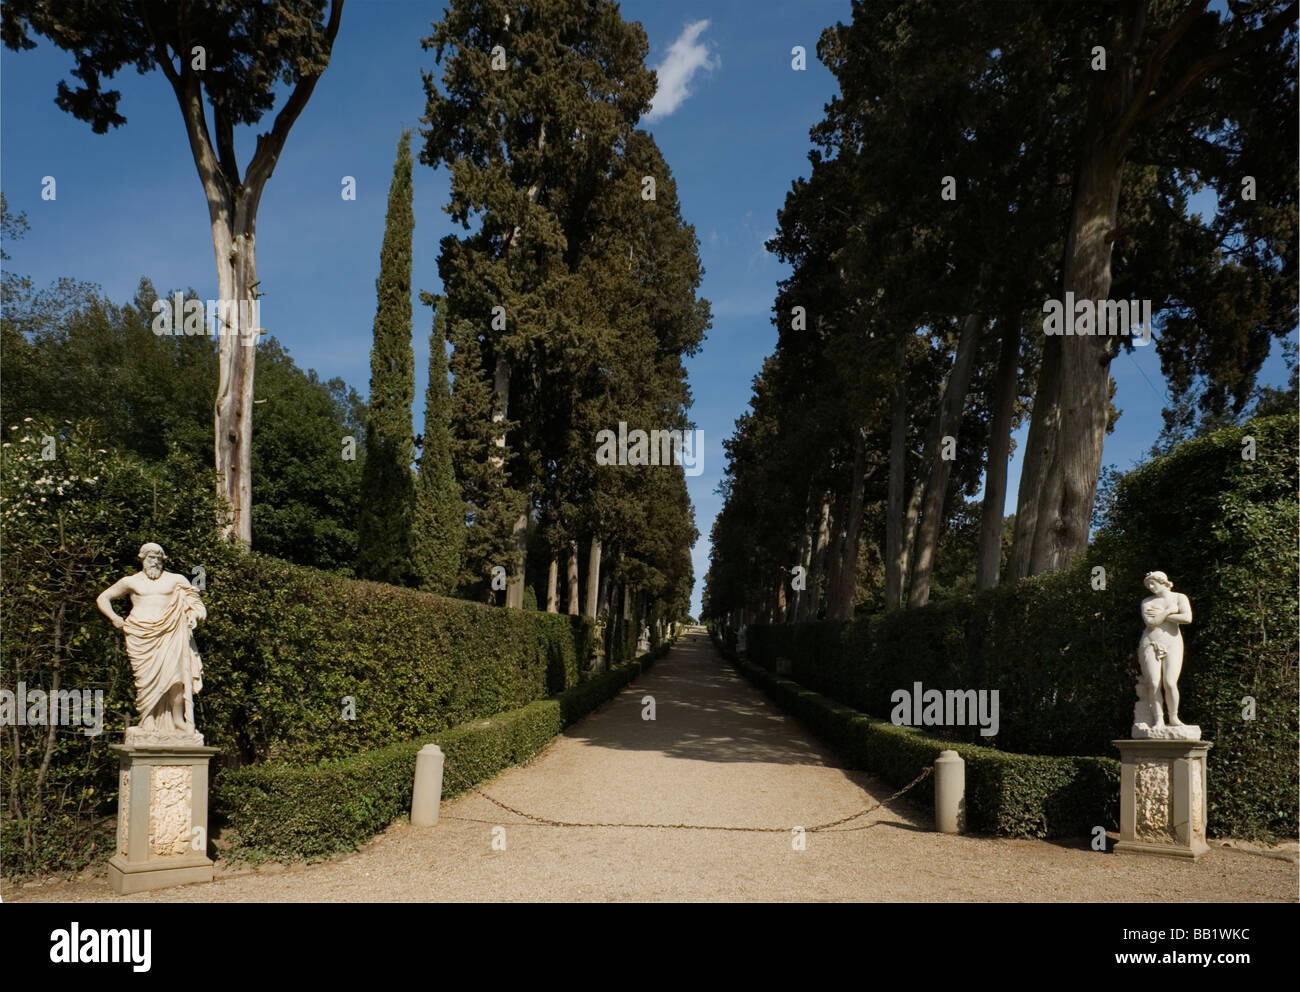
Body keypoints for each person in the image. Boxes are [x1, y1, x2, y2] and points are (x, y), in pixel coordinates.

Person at [97, 543, 206, 736]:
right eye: (150, 558)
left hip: (169, 633)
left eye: (158, 558)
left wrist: (194, 614)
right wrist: (114, 617)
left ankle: (178, 719)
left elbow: (195, 600)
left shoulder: (176, 579)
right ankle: (147, 719)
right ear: (142, 559)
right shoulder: (130, 581)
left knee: (176, 678)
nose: (154, 562)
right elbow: (103, 598)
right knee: (145, 680)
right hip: (140, 636)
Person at [1136, 571, 1192, 728]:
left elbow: (1187, 618)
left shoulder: (1179, 597)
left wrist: (1161, 615)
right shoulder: (1147, 602)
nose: (1151, 587)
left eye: (1153, 583)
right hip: (1150, 642)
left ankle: (1174, 718)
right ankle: (1159, 719)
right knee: (1153, 683)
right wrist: (1168, 611)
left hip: (1173, 642)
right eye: (1148, 585)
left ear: (1163, 582)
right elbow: (1151, 623)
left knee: (1169, 682)